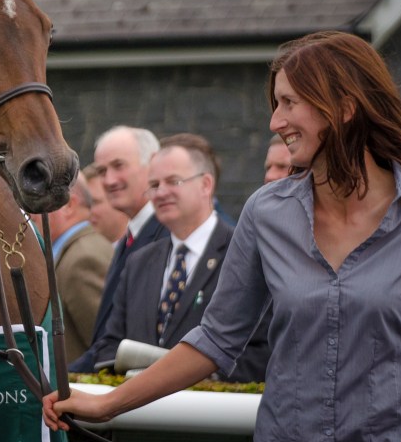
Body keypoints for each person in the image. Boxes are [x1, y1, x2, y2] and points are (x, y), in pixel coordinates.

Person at [44, 31, 401, 442]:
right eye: (276, 104)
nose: (275, 122)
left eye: (289, 103)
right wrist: (107, 404)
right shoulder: (267, 212)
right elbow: (216, 339)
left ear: (345, 107)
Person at [88, 133, 267, 382]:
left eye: (173, 181)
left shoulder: (245, 255)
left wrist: (187, 373)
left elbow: (261, 353)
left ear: (206, 184)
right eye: (154, 185)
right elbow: (109, 346)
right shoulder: (139, 262)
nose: (161, 193)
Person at [68, 126, 169, 373]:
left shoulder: (167, 237)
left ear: (153, 164)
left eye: (119, 166)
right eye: (102, 171)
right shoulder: (130, 238)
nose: (109, 180)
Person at [42, 174, 113, 365]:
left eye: (38, 203)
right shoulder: (77, 251)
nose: (30, 214)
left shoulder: (83, 259)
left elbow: (105, 347)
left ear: (68, 205)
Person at [82, 162, 129, 245]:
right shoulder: (80, 250)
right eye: (84, 204)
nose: (87, 212)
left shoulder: (145, 245)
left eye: (94, 202)